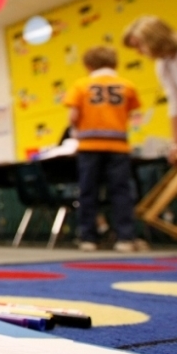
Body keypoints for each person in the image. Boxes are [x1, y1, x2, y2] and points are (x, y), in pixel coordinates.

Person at [63, 46, 141, 252]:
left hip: (89, 146)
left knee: (88, 191)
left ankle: (88, 238)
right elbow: (131, 111)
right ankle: (125, 238)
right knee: (121, 191)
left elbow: (72, 116)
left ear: (88, 65)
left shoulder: (81, 85)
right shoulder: (127, 85)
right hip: (119, 146)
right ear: (116, 63)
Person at [122, 16, 177, 163]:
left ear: (154, 39)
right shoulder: (164, 65)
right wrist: (176, 145)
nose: (139, 52)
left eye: (139, 46)